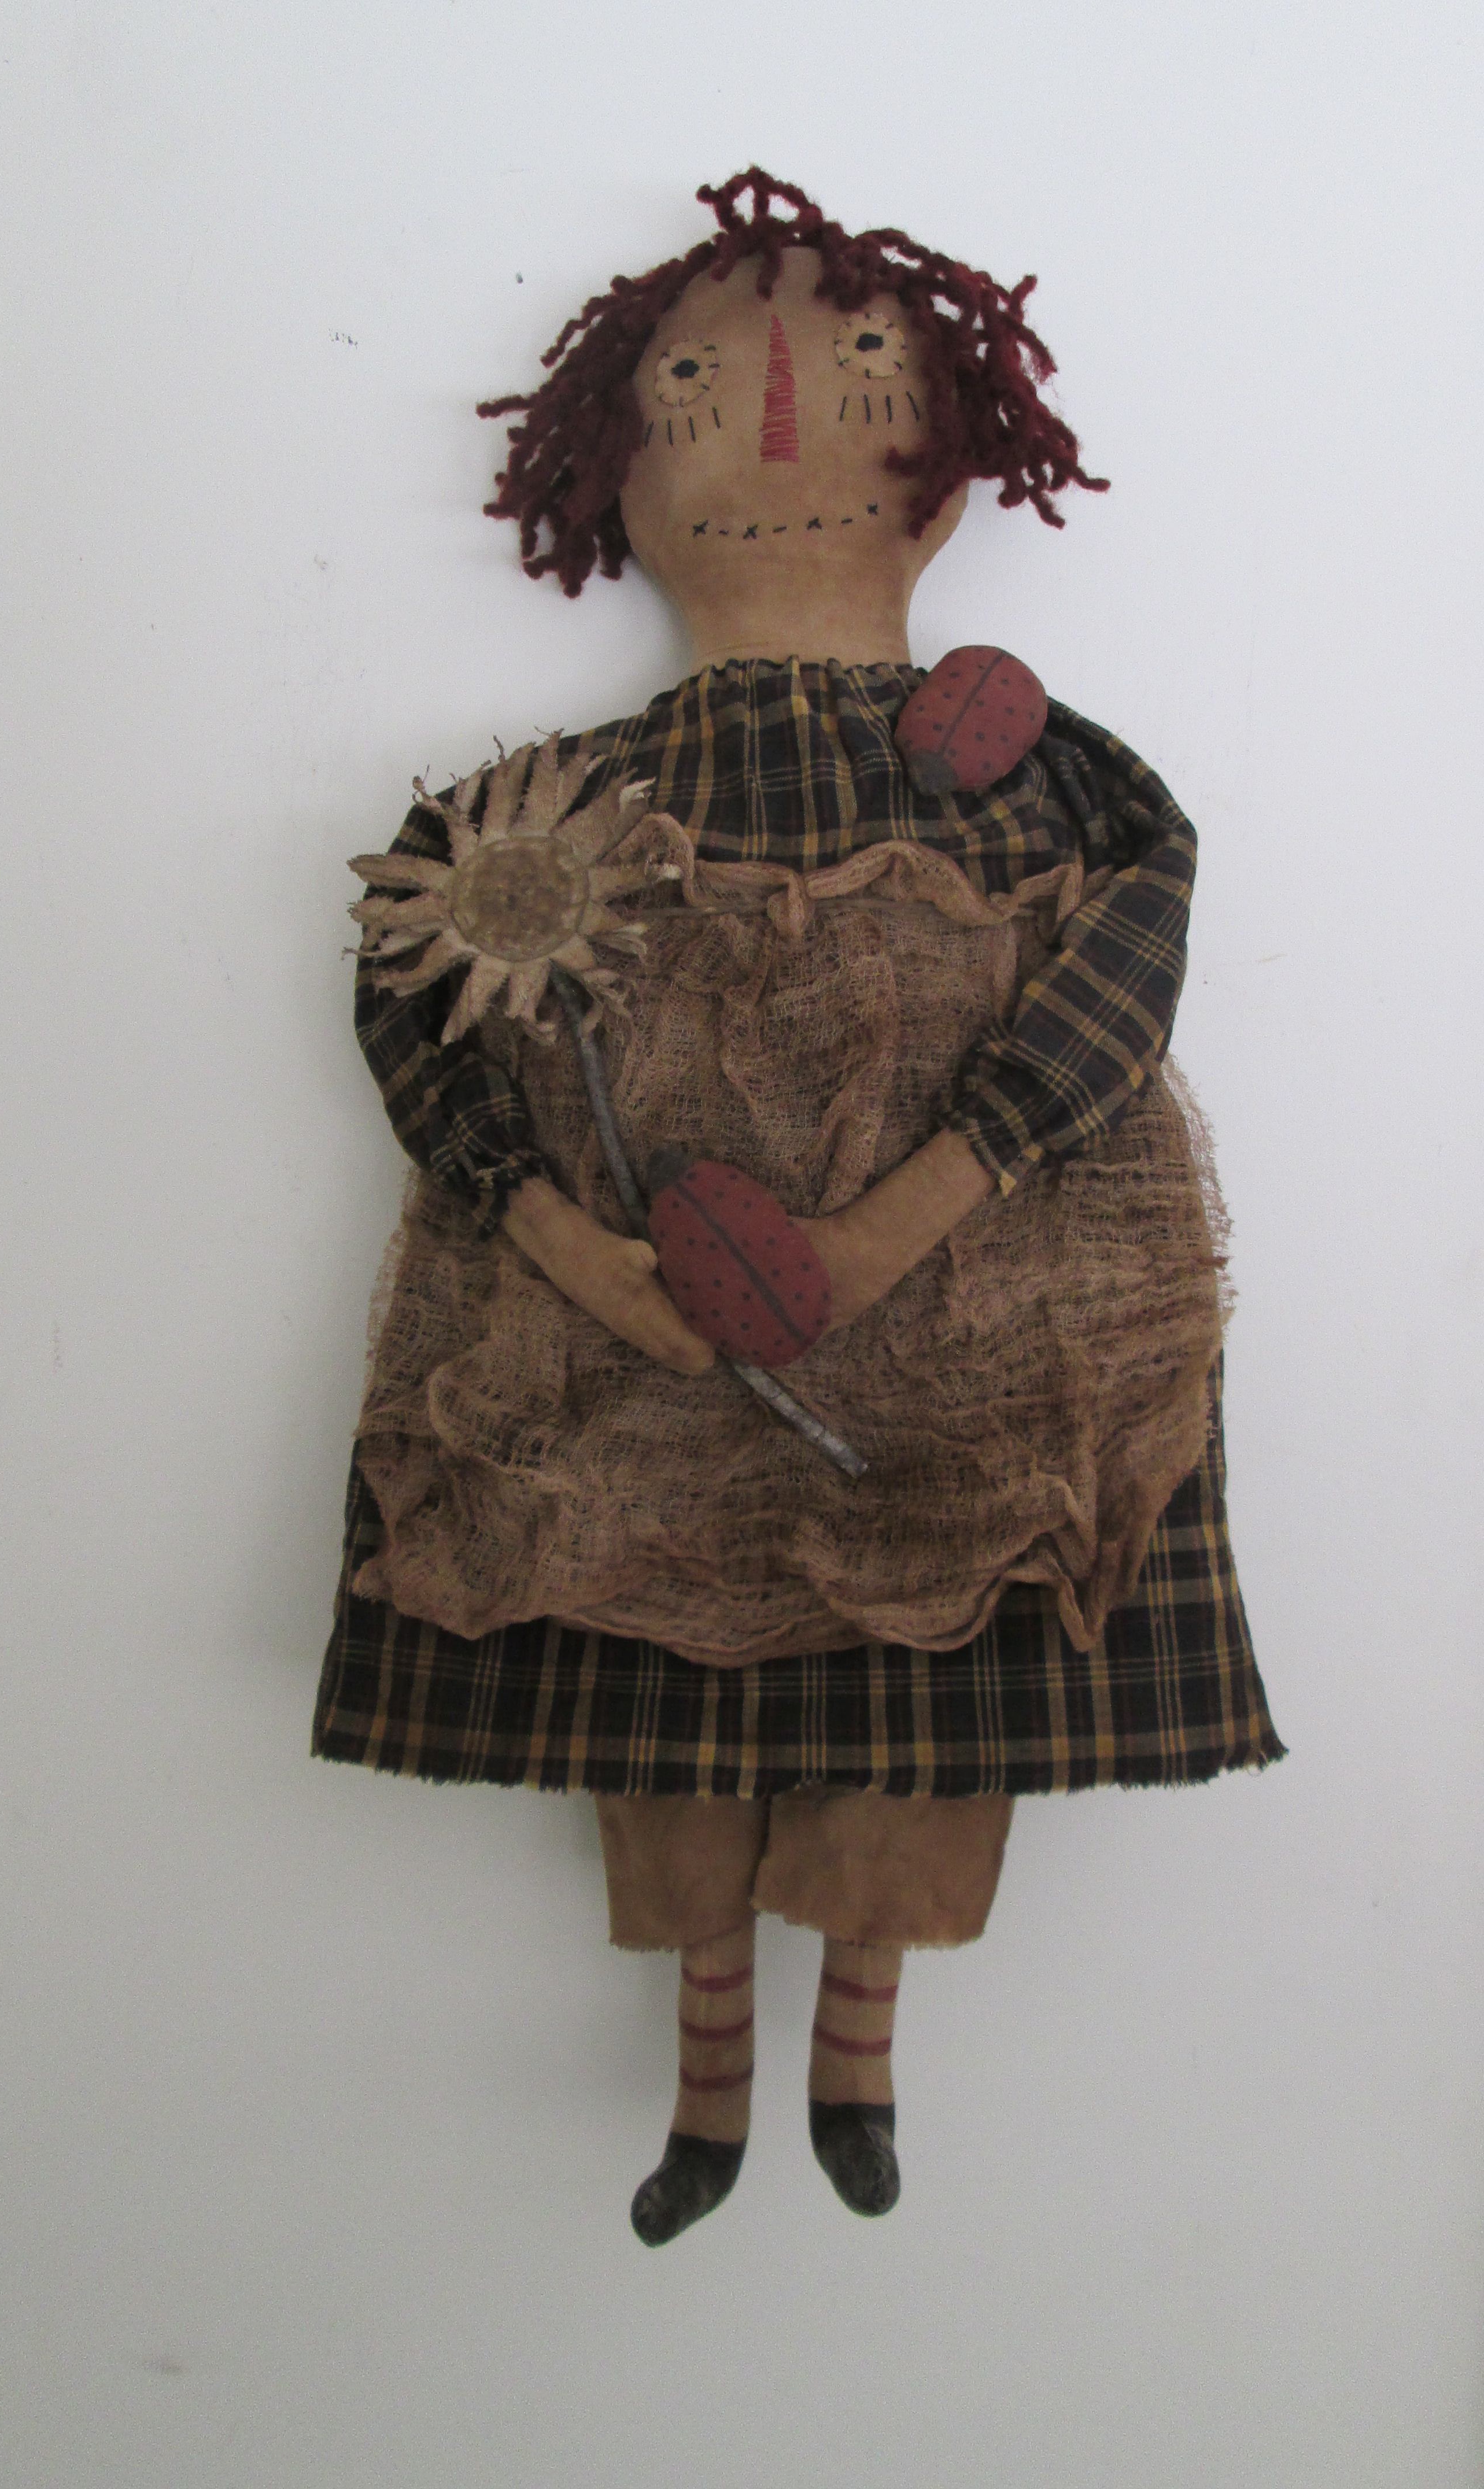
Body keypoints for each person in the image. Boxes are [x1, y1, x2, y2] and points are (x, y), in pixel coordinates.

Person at [313, 168, 1284, 2244]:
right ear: (615, 474)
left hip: (972, 1317)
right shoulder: (538, 820)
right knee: (645, 1625)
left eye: (859, 379)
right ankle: (709, 2087)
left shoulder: (1044, 778)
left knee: (944, 1643)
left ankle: (853, 2061)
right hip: (644, 1335)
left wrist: (900, 1225)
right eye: (693, 393)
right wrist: (567, 1250)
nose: (774, 424)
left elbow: (1135, 955)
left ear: (953, 475)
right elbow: (409, 993)